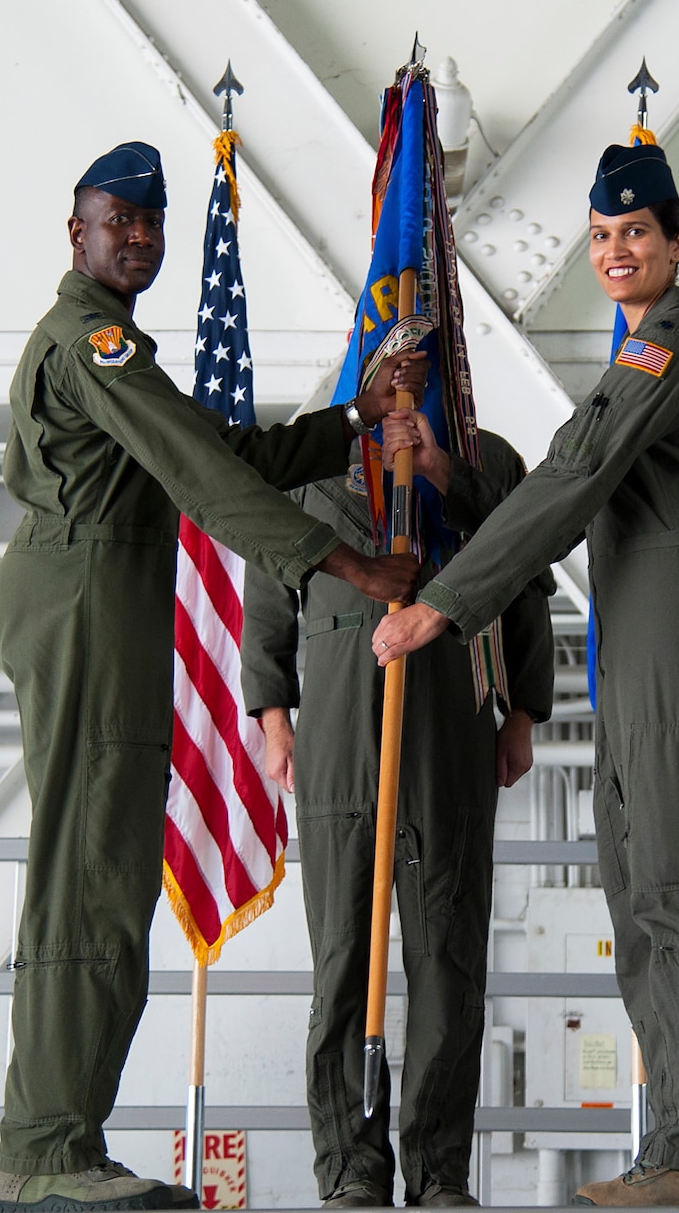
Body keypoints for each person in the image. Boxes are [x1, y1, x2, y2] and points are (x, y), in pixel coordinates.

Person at [0, 141, 428, 1213]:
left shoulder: (119, 347)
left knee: (109, 873)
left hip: (109, 603)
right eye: (116, 220)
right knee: (86, 876)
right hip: (86, 603)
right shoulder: (87, 343)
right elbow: (201, 477)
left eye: (151, 223)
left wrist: (354, 420)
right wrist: (353, 564)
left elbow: (215, 449)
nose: (136, 237)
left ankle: (64, 1141)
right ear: (76, 230)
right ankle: (45, 1151)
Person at [371, 143, 679, 1208]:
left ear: (677, 241)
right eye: (598, 236)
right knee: (640, 883)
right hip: (639, 614)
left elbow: (574, 477)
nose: (615, 251)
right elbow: (569, 474)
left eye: (634, 232)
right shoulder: (636, 354)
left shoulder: (669, 347)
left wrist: (446, 606)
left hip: (676, 611)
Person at [241, 421, 555, 1209]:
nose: (407, 363)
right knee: (343, 958)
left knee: (448, 960)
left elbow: (526, 578)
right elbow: (269, 588)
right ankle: (351, 1167)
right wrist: (275, 714)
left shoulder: (487, 463)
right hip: (342, 726)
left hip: (450, 713)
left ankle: (440, 1170)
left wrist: (522, 711)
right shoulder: (312, 461)